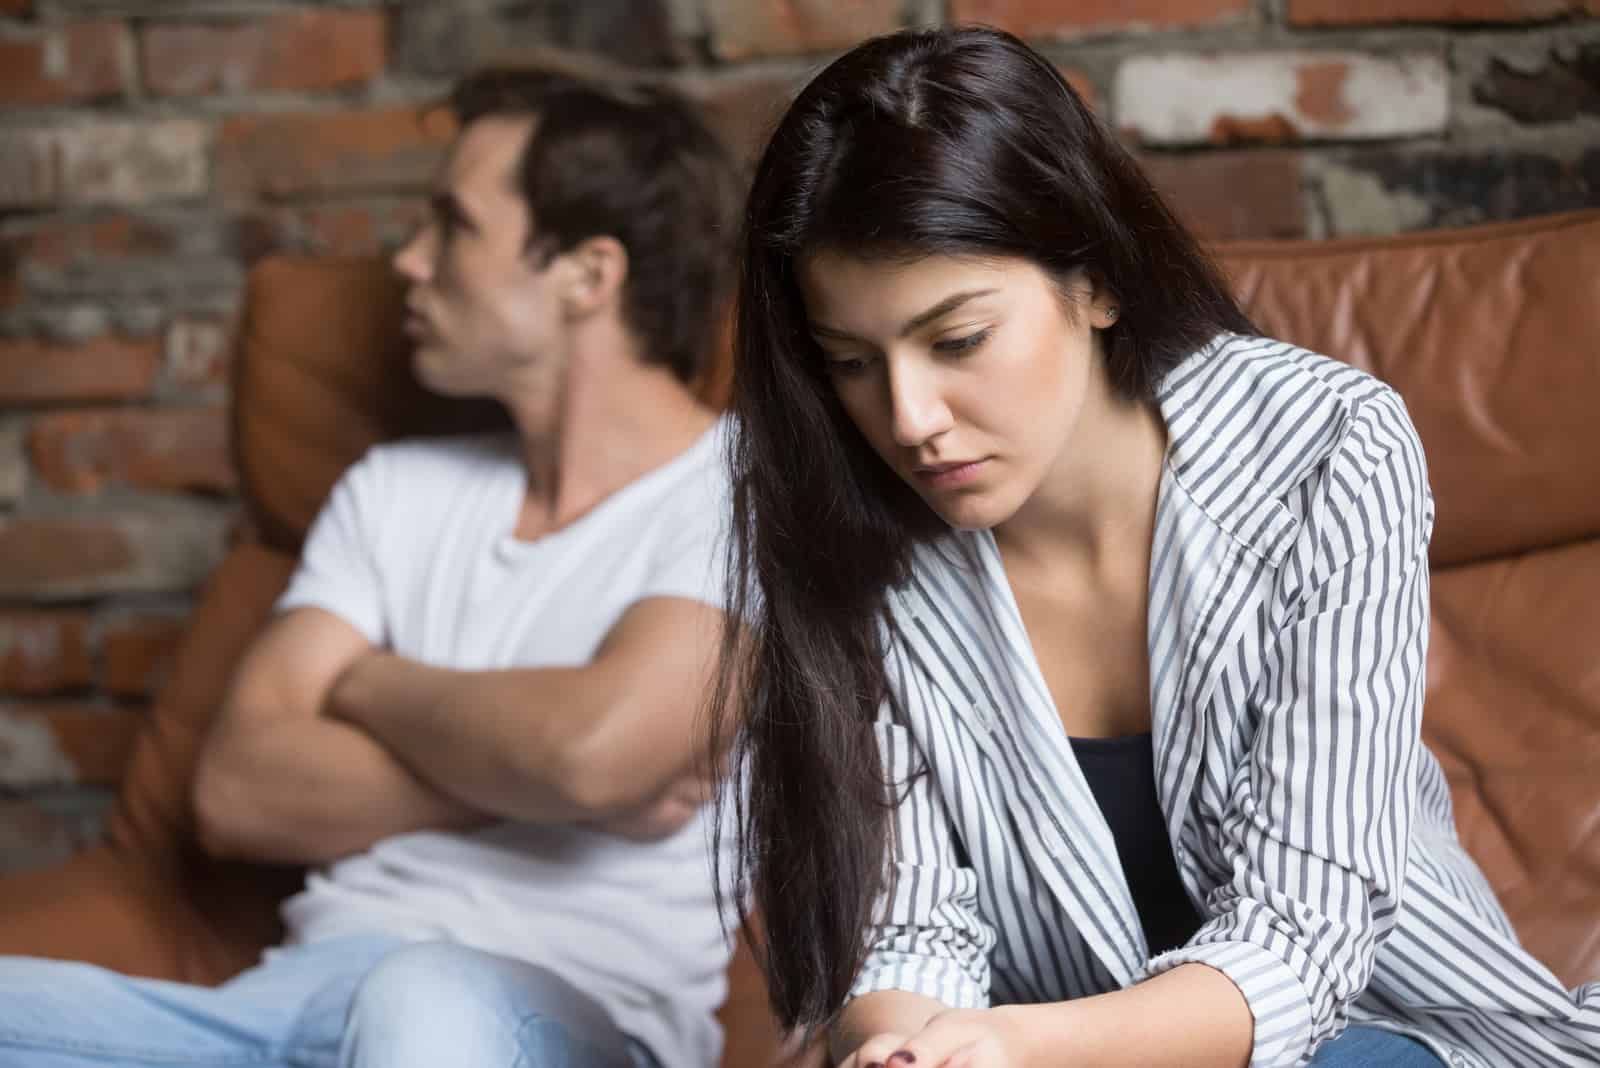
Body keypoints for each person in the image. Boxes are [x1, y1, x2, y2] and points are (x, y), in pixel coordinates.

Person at [710, 24, 1600, 1068]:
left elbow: (1302, 942)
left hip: (1379, 1035)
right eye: (851, 362)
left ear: (1095, 282)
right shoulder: (844, 518)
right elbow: (907, 932)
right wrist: (915, 1053)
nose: (908, 418)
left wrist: (1011, 1047)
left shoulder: (1322, 446)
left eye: (956, 342)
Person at [0, 59, 741, 1068]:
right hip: (288, 1005)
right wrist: (543, 775)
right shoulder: (394, 488)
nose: (409, 261)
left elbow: (592, 752)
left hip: (555, 1018)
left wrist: (364, 682)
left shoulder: (744, 493)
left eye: (453, 225)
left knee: (421, 1000)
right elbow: (235, 791)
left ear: (586, 274)